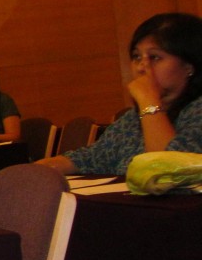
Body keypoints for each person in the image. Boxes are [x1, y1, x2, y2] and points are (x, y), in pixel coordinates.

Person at [39, 12, 202, 175]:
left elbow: (168, 170)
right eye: (137, 57)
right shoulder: (131, 119)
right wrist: (37, 170)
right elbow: (91, 158)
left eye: (155, 57)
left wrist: (149, 101)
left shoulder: (197, 110)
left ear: (188, 66)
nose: (141, 67)